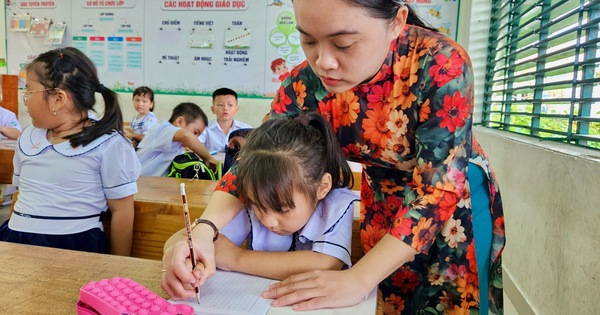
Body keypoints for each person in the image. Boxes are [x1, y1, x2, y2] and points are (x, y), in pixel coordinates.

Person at [162, 1, 505, 314]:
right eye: (309, 41)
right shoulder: (305, 83)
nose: (323, 61)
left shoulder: (439, 62)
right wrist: (203, 230)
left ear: (397, 22)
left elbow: (438, 190)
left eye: (343, 44)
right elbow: (256, 157)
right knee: (387, 304)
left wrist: (357, 279)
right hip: (383, 198)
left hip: (453, 204)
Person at [163, 112, 358, 284]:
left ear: (322, 187)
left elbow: (326, 263)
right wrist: (182, 258)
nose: (268, 221)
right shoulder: (255, 194)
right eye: (257, 205)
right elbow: (181, 239)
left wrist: (236, 258)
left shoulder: (337, 204)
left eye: (282, 209)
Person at [0, 47, 140, 256]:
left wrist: (120, 267)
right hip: (17, 239)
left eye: (29, 91)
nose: (25, 98)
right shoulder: (28, 137)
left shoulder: (108, 144)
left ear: (58, 99)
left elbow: (122, 210)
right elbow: (21, 195)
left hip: (73, 245)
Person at [137, 102, 219, 176]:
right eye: (195, 132)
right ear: (179, 121)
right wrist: (208, 157)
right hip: (141, 183)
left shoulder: (176, 143)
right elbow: (186, 136)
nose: (195, 138)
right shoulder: (163, 129)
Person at [197, 88, 252, 153]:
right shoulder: (204, 127)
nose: (225, 108)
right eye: (221, 105)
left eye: (230, 105)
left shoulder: (246, 129)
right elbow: (195, 146)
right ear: (213, 109)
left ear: (237, 109)